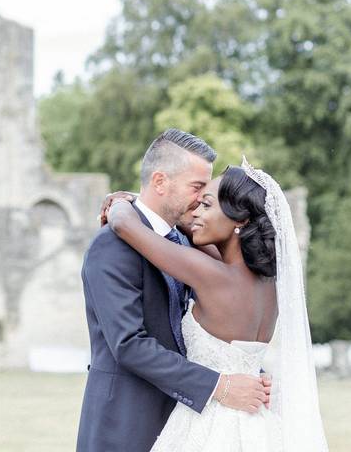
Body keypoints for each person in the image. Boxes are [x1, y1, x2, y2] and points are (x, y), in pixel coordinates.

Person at [104, 158, 329, 451]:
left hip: (209, 422)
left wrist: (122, 201)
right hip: (256, 422)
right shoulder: (269, 283)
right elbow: (188, 225)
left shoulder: (211, 274)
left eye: (206, 205)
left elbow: (124, 224)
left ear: (241, 220)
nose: (196, 211)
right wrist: (145, 201)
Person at [76, 129, 271, 452]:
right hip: (125, 426)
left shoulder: (188, 244)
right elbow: (128, 344)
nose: (202, 199)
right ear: (160, 182)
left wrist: (245, 369)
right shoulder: (110, 245)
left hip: (188, 424)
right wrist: (219, 386)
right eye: (196, 187)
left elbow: (217, 324)